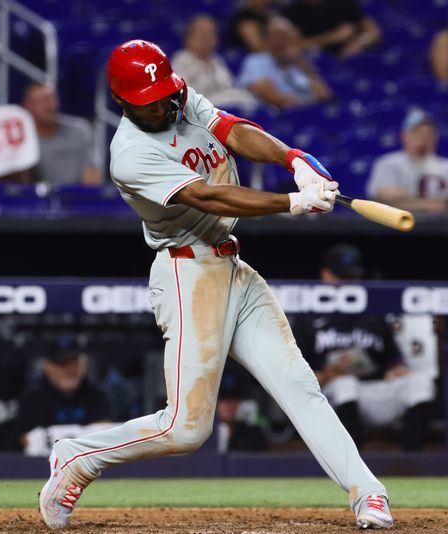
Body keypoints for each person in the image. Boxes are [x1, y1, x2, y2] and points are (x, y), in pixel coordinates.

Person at [38, 39, 392, 530]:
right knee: (186, 429)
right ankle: (78, 457)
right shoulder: (130, 154)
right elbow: (207, 196)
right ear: (122, 101)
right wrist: (290, 202)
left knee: (299, 386)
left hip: (232, 267)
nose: (162, 104)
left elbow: (232, 130)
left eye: (164, 93)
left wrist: (292, 159)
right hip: (187, 271)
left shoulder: (179, 95)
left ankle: (367, 493)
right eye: (149, 99)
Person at [294, 244, 436, 451]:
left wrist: (397, 371)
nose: (348, 284)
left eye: (352, 278)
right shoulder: (308, 317)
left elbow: (393, 362)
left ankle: (412, 458)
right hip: (330, 399)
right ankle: (352, 462)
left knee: (420, 383)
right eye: (341, 278)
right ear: (325, 275)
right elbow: (295, 379)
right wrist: (326, 375)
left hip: (371, 393)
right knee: (345, 383)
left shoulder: (373, 312)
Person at [366, 108, 448, 213]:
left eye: (428, 134)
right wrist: (442, 203)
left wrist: (408, 199)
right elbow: (384, 198)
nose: (423, 138)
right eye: (417, 132)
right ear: (404, 136)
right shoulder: (388, 164)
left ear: (436, 137)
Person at [17, 337, 112, 451]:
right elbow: (25, 441)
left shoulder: (98, 397)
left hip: (89, 465)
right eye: (62, 364)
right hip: (42, 465)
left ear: (83, 364)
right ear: (48, 366)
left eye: (73, 362)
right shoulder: (32, 400)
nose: (69, 370)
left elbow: (107, 436)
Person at [237, 17, 332, 109]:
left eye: (285, 37)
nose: (281, 42)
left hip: (308, 114)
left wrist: (303, 64)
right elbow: (273, 98)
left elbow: (325, 96)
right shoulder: (256, 61)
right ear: (266, 40)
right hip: (278, 118)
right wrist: (307, 106)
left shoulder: (298, 63)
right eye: (276, 37)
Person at [171, 15, 257, 113]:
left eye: (210, 33)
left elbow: (229, 87)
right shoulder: (181, 60)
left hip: (222, 109)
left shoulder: (217, 61)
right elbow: (186, 97)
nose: (206, 38)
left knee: (246, 98)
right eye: (201, 33)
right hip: (197, 112)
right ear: (188, 38)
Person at [22, 82, 102, 186]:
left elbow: (92, 175)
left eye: (51, 99)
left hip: (76, 198)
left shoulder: (79, 131)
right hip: (37, 199)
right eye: (40, 101)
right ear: (28, 106)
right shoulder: (23, 139)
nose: (48, 106)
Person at [282, 0, 381, 58]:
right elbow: (294, 46)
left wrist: (361, 43)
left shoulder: (342, 2)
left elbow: (373, 31)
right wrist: (333, 37)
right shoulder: (291, 13)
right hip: (320, 65)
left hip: (358, 55)